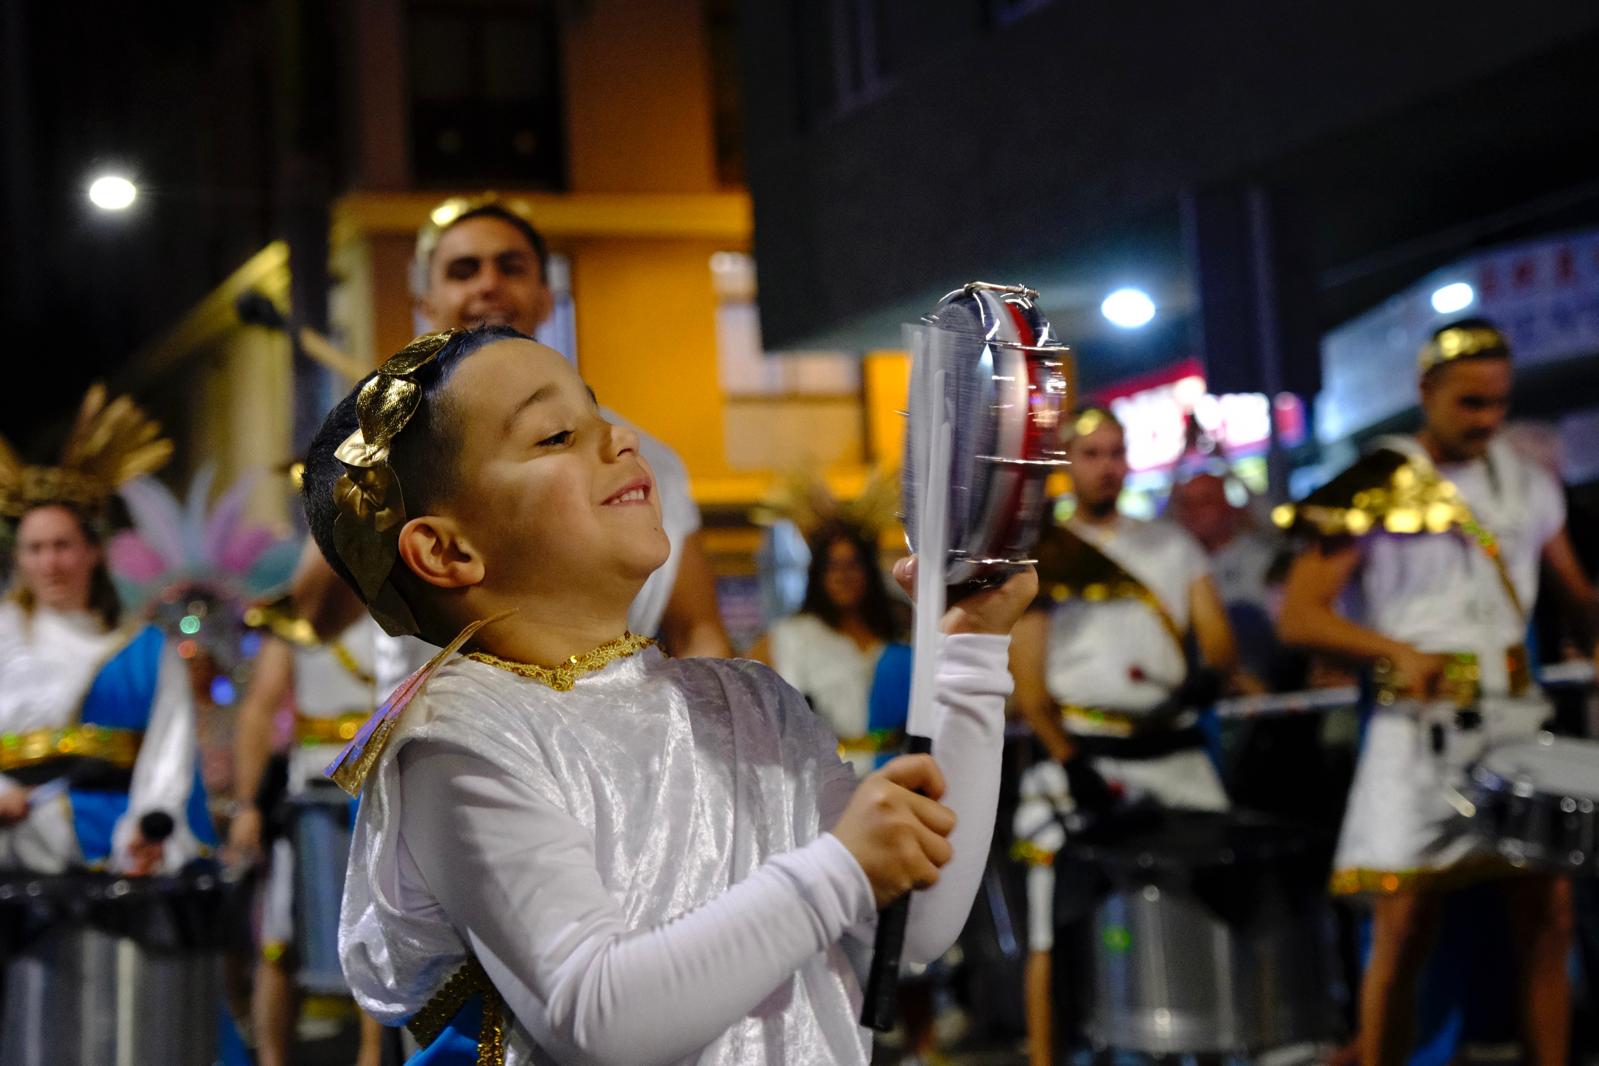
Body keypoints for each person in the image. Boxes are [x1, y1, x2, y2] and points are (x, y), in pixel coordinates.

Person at [301, 326, 1030, 1063]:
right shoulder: (459, 738)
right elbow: (599, 1015)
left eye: (598, 413)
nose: (618, 438)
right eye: (555, 435)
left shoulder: (748, 703)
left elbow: (914, 924)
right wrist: (839, 871)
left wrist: (969, 649)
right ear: (447, 550)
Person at [1276, 318, 1596, 1066]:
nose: (1486, 421)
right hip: (1414, 725)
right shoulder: (1374, 479)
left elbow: (1574, 591)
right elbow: (1298, 616)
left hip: (1516, 715)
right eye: (1469, 404)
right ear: (1425, 391)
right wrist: (1389, 650)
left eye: (1497, 404)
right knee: (1403, 925)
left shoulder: (1527, 480)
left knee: (1546, 916)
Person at [290, 194, 731, 660]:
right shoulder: (391, 459)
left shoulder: (645, 457)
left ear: (546, 299)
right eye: (463, 270)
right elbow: (313, 619)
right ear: (427, 304)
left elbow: (697, 630)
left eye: (511, 267)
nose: (488, 285)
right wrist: (372, 467)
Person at [1009, 406, 1240, 1066]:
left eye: (1115, 452)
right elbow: (1029, 689)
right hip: (1082, 757)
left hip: (1175, 752)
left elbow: (1218, 645)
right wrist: (1070, 761)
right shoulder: (1042, 554)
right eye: (1090, 454)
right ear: (1067, 464)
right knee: (1054, 928)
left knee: (1212, 902)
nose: (1106, 466)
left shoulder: (1172, 545)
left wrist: (1207, 679)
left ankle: (1210, 1045)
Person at [0, 386, 207, 875]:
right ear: (19, 557)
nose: (50, 563)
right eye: (35, 549)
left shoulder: (144, 650)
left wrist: (146, 825)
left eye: (62, 545)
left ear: (93, 551)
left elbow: (167, 754)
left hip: (113, 838)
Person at [229, 604, 385, 1066]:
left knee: (380, 925)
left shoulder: (403, 592)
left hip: (384, 782)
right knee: (280, 932)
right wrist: (247, 804)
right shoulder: (296, 611)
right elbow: (258, 710)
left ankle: (372, 1055)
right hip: (310, 789)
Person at [749, 521, 908, 777]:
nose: (843, 576)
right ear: (818, 574)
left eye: (853, 565)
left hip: (898, 771)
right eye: (832, 566)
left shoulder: (898, 630)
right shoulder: (791, 635)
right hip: (825, 777)